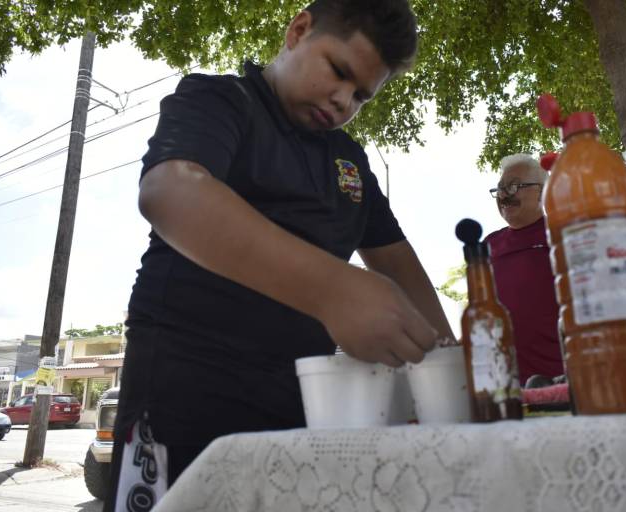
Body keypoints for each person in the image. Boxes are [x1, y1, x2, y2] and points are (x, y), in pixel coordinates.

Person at [105, 1, 454, 509]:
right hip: (182, 402)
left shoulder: (349, 161)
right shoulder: (219, 100)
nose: (342, 101)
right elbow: (171, 192)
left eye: (361, 95)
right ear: (299, 30)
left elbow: (400, 269)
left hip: (302, 412)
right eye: (338, 71)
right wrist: (334, 290)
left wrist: (452, 371)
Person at [484, 154, 563, 386]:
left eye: (515, 186)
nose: (504, 195)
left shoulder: (562, 233)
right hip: (503, 386)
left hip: (558, 380)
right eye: (500, 189)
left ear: (542, 191)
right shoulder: (488, 245)